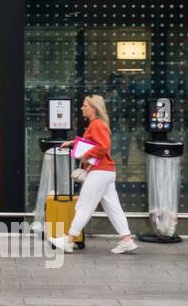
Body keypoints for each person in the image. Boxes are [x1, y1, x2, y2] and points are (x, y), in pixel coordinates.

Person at [50, 94, 137, 254]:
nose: (82, 108)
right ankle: (127, 240)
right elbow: (92, 143)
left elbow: (103, 146)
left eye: (85, 105)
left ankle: (68, 240)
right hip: (106, 171)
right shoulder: (97, 124)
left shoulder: (96, 124)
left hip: (99, 172)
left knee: (84, 206)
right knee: (113, 207)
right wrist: (73, 143)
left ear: (94, 108)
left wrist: (86, 155)